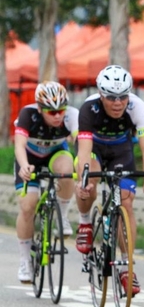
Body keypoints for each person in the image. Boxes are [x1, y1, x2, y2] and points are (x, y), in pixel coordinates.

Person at [75, 65, 144, 295]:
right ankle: (85, 222)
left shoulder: (137, 107)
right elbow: (83, 152)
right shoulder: (89, 109)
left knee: (126, 202)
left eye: (123, 96)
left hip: (121, 151)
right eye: (111, 97)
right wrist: (83, 179)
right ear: (100, 94)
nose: (117, 103)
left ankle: (127, 267)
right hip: (94, 149)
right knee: (89, 179)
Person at [13, 81, 78, 283]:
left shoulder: (72, 116)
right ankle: (25, 260)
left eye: (61, 110)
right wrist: (24, 166)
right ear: (40, 109)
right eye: (51, 112)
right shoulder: (28, 114)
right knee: (27, 206)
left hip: (55, 154)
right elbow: (19, 145)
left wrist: (82, 165)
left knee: (68, 170)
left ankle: (62, 216)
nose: (57, 116)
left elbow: (81, 142)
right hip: (29, 158)